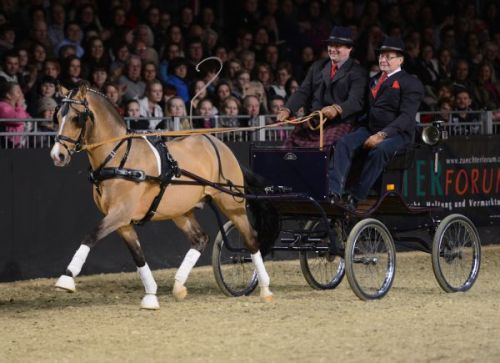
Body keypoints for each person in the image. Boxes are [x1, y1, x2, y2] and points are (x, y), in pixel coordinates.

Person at [329, 36, 424, 209]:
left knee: (379, 150)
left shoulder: (411, 83)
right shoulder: (373, 80)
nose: (383, 59)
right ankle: (334, 192)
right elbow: (363, 108)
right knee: (343, 143)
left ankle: (355, 196)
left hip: (398, 134)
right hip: (370, 128)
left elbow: (406, 117)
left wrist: (382, 135)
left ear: (400, 60)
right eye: (381, 56)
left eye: (389, 57)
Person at [277, 26, 368, 148]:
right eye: (330, 45)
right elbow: (303, 91)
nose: (332, 49)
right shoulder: (317, 66)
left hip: (340, 123)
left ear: (349, 48)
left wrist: (337, 109)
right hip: (313, 122)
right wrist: (287, 109)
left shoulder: (357, 72)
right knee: (286, 149)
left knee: (322, 153)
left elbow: (356, 101)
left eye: (338, 46)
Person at [0, 81, 31, 148]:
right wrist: (20, 106)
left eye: (21, 92)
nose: (21, 95)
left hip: (20, 145)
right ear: (8, 95)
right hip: (8, 146)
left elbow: (28, 118)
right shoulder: (2, 106)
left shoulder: (15, 107)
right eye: (18, 92)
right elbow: (19, 120)